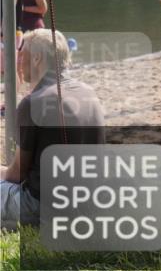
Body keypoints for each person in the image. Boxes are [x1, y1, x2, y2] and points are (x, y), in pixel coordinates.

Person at [1, 29, 105, 229]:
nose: (19, 61)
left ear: (37, 58)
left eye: (22, 53)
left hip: (45, 205)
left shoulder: (32, 103)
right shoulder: (88, 92)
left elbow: (17, 175)